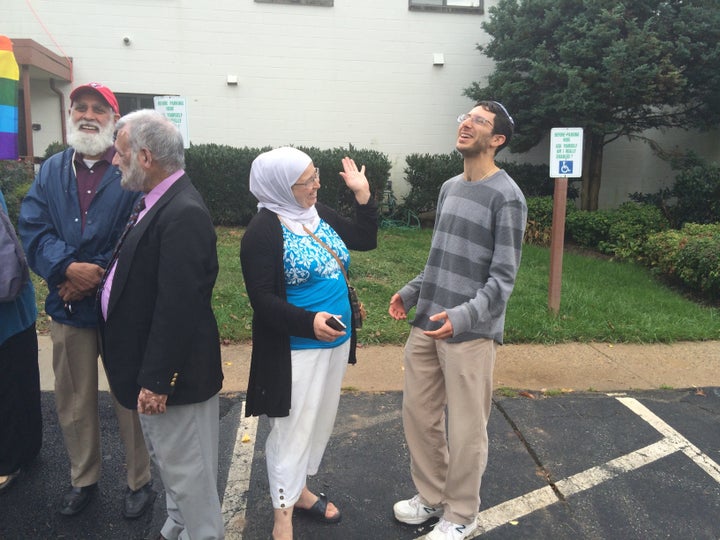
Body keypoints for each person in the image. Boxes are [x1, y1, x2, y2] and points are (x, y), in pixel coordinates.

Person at [389, 101, 527, 540]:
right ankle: (432, 497)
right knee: (419, 414)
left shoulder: (507, 196)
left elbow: (503, 279)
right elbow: (440, 257)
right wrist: (412, 292)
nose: (466, 123)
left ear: (497, 139)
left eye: (479, 121)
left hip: (470, 332)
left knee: (467, 429)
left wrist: (464, 315)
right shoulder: (450, 187)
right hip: (428, 321)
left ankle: (462, 514)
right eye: (464, 117)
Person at [18, 82, 154, 518]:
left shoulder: (133, 168)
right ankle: (83, 479)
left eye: (99, 109)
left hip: (119, 309)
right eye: (81, 107)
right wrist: (65, 269)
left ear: (114, 121)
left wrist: (89, 274)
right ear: (70, 114)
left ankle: (140, 481)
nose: (88, 115)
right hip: (69, 307)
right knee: (73, 400)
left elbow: (136, 233)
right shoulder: (51, 169)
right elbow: (33, 229)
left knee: (128, 398)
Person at [99, 109, 225, 540]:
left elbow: (180, 306)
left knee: (190, 475)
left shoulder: (183, 212)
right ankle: (179, 526)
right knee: (173, 467)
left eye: (120, 153)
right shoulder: (157, 200)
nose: (115, 161)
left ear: (146, 157)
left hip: (174, 382)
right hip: (153, 373)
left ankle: (201, 533)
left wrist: (156, 380)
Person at [240, 147, 378, 540]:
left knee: (316, 425)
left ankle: (298, 492)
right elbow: (262, 301)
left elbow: (365, 239)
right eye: (308, 181)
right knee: (291, 431)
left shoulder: (318, 213)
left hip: (333, 344)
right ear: (281, 187)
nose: (317, 184)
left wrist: (363, 194)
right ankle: (281, 516)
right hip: (295, 351)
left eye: (317, 175)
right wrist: (308, 322)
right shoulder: (262, 232)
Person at [0, 188, 41, 492]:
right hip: (15, 303)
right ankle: (25, 450)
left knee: (11, 386)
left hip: (8, 307)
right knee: (19, 382)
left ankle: (10, 460)